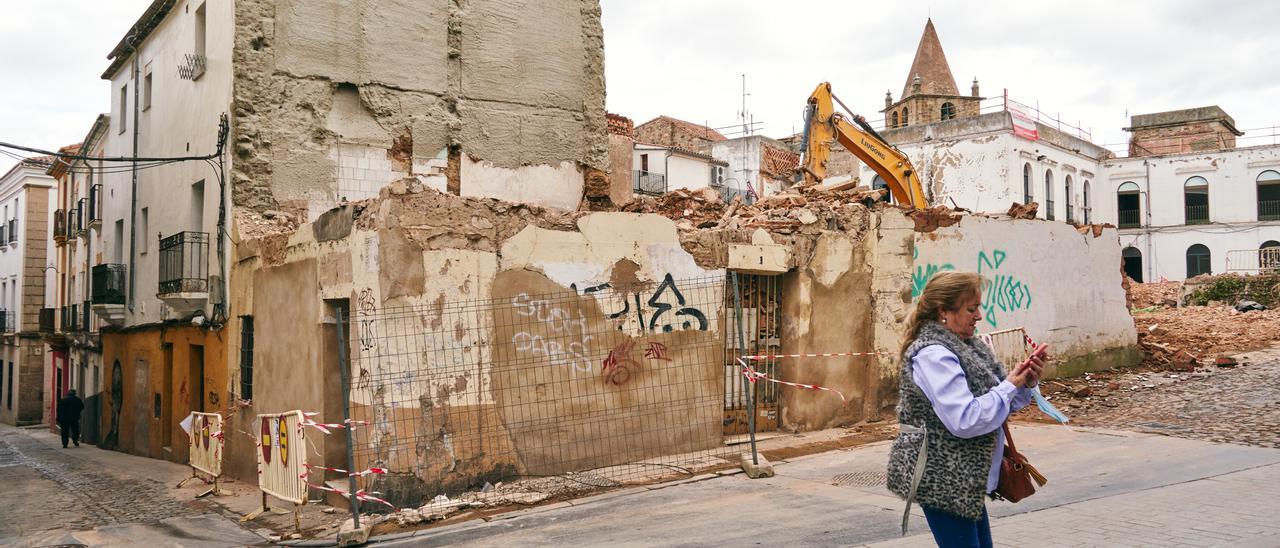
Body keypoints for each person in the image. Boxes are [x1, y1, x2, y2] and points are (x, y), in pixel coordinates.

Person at [886, 272, 1046, 547]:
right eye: (972, 309)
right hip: (944, 478)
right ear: (943, 312)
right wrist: (1009, 386)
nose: (980, 316)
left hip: (966, 478)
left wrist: (1024, 383)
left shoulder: (967, 348)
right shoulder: (934, 355)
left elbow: (997, 407)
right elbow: (965, 419)